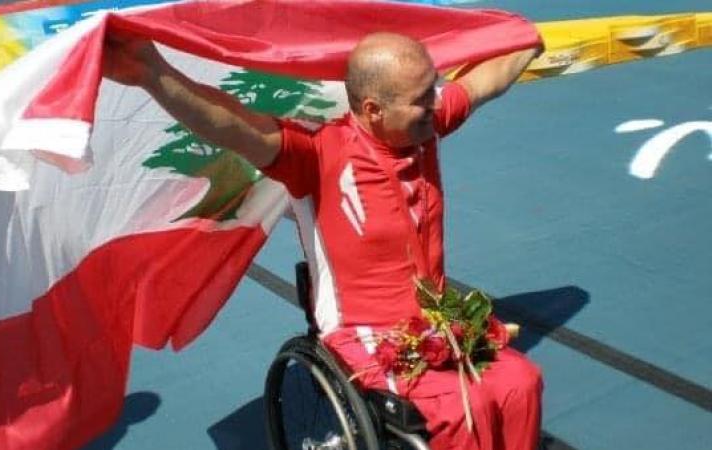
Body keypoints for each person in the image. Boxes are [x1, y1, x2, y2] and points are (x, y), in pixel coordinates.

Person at [104, 28, 543, 450]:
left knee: (521, 383)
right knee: (462, 411)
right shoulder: (316, 154)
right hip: (364, 332)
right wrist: (150, 71)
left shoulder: (421, 126)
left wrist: (525, 39)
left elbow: (487, 80)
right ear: (373, 110)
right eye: (422, 99)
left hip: (434, 319)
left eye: (434, 89)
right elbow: (229, 124)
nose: (437, 102)